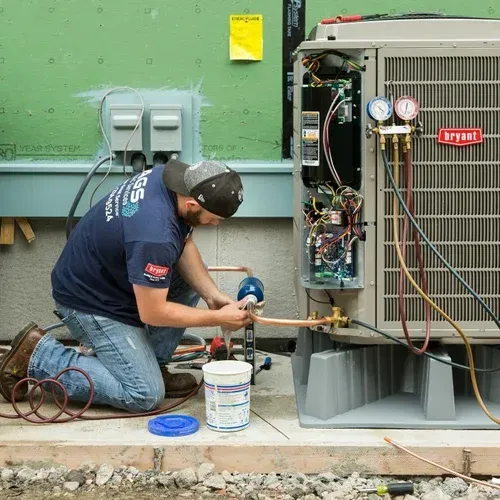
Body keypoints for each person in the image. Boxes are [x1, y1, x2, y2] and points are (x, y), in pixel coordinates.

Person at [0, 159, 252, 412]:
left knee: (193, 280)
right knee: (145, 395)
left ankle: (150, 365)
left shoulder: (171, 178)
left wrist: (212, 295)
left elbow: (183, 243)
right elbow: (153, 312)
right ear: (192, 204)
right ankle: (38, 355)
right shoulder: (155, 235)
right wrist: (216, 317)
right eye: (214, 218)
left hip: (111, 278)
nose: (215, 224)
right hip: (90, 302)